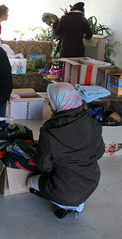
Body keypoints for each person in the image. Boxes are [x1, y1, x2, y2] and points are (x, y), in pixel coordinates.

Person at [27, 82, 105, 219]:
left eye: (50, 102)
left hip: (62, 189)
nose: (49, 105)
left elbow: (43, 165)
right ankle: (76, 206)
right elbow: (99, 152)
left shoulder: (50, 130)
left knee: (29, 182)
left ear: (58, 103)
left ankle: (64, 204)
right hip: (91, 182)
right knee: (75, 188)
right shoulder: (93, 123)